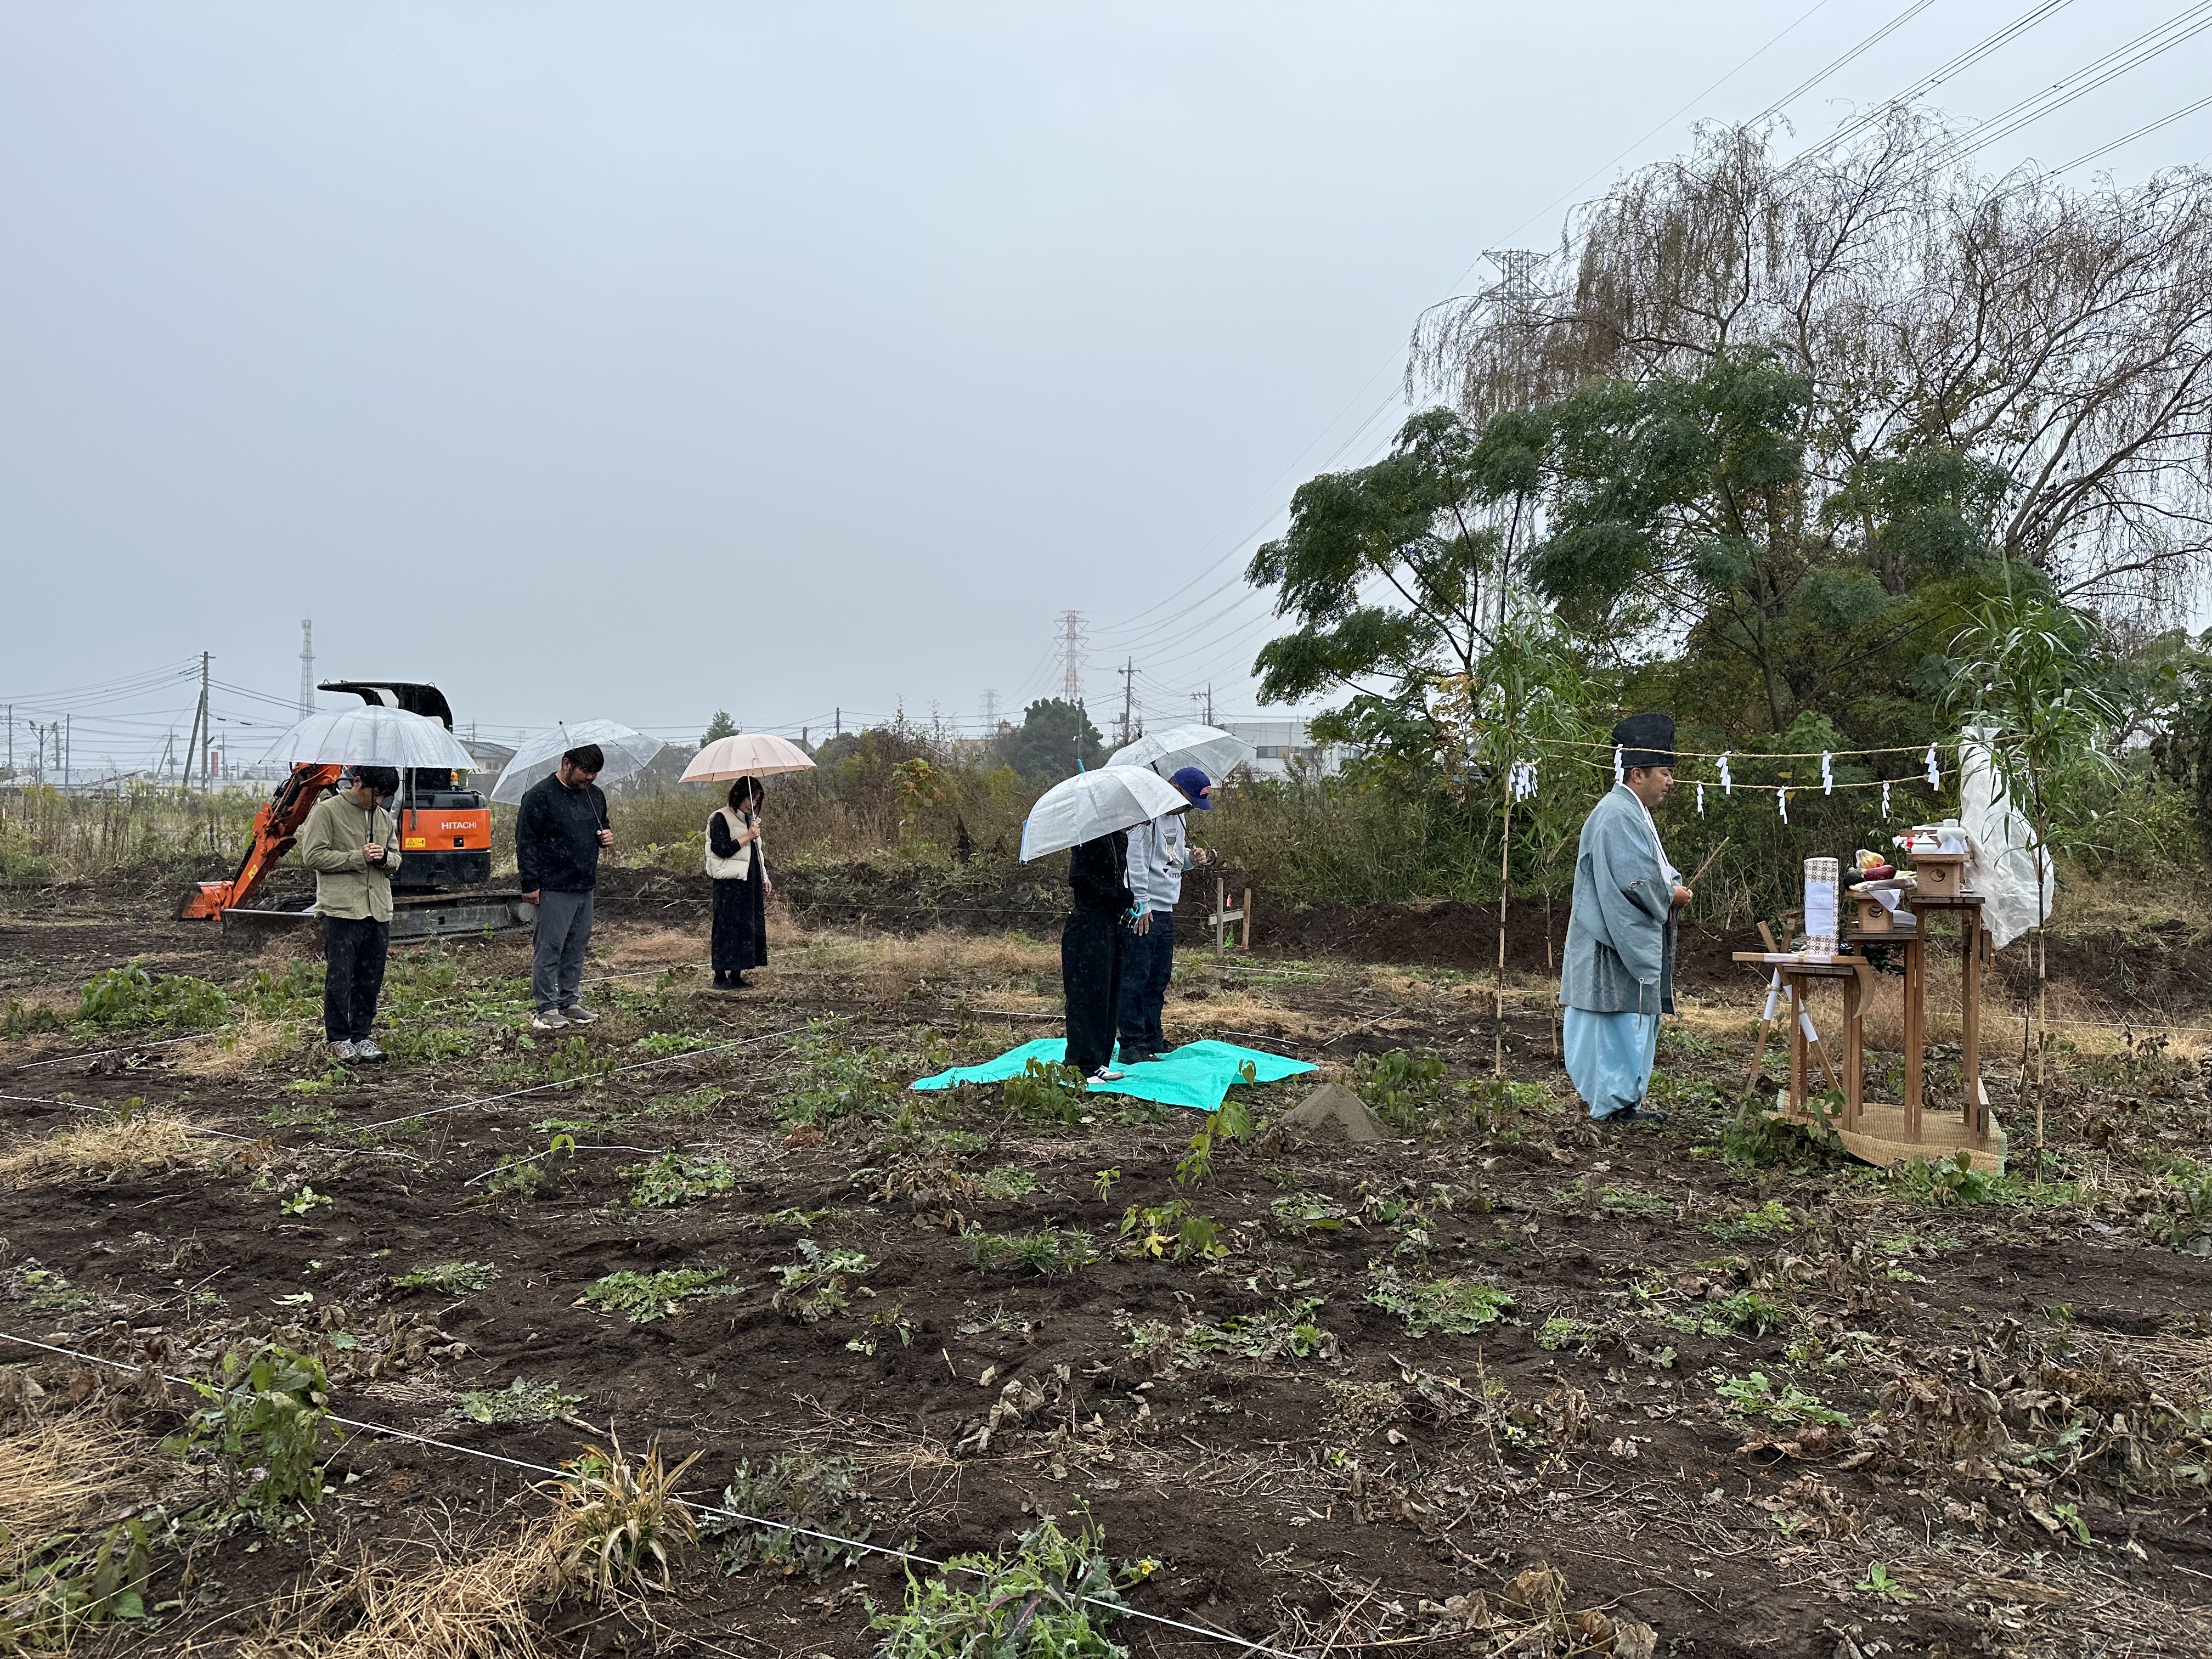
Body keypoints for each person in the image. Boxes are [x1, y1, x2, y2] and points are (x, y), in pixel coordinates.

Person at [1560, 713, 1694, 1124]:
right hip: (1609, 945)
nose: (1671, 782)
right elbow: (1634, 883)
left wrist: (1667, 884)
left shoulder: (1630, 811)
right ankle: (1612, 1104)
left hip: (1618, 942)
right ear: (1638, 773)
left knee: (1625, 1025)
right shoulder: (1618, 813)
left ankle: (1622, 1102)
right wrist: (1670, 894)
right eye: (1666, 773)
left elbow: (1644, 869)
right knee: (1611, 1027)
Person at [298, 765, 403, 1064]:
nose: (380, 801)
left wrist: (385, 858)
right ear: (358, 783)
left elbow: (396, 856)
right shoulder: (327, 812)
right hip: (342, 908)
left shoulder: (383, 818)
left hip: (378, 909)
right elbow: (313, 856)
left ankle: (362, 1035)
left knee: (371, 977)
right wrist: (357, 857)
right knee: (341, 977)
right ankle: (339, 1039)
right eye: (377, 794)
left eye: (386, 796)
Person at [1115, 765, 1217, 1064]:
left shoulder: (1179, 816)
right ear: (1174, 787)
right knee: (1135, 977)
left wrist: (1192, 859)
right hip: (1145, 909)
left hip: (1167, 907)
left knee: (1158, 979)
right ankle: (1132, 1043)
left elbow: (1172, 858)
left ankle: (1153, 1037)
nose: (1190, 807)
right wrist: (1141, 902)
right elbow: (1136, 859)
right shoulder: (1148, 818)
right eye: (1189, 800)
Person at [516, 743, 611, 1031]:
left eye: (595, 773)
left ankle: (569, 1001)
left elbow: (600, 826)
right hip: (552, 886)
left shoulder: (595, 796)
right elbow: (526, 842)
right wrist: (530, 883)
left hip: (584, 884)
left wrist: (604, 837)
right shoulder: (539, 797)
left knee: (576, 945)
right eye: (586, 771)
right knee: (550, 946)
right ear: (566, 763)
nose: (590, 778)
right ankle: (545, 1007)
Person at [1063, 827, 1134, 1082]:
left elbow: (1118, 878)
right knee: (1086, 995)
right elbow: (1079, 880)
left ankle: (1099, 1060)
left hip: (1111, 923)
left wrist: (1125, 897)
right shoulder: (1086, 838)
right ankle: (1080, 1065)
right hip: (1088, 924)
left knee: (1109, 993)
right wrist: (1117, 895)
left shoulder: (1120, 838)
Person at [706, 776, 773, 989]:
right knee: (726, 928)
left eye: (756, 799)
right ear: (737, 794)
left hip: (749, 880)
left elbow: (757, 852)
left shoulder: (749, 820)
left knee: (745, 928)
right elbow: (721, 849)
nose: (752, 803)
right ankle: (719, 977)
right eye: (748, 797)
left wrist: (764, 876)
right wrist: (747, 836)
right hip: (728, 883)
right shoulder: (719, 818)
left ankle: (737, 974)